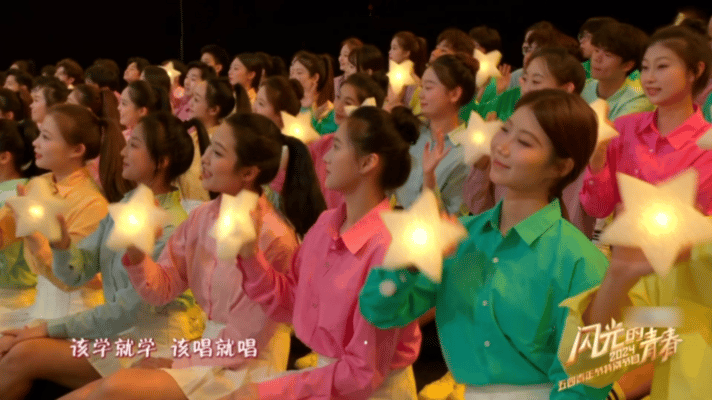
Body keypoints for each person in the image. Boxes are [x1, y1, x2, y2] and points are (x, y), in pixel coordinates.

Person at [360, 89, 612, 400]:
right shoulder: (459, 237)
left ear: (561, 167)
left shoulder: (580, 261)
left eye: (524, 142)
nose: (502, 146)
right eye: (505, 129)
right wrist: (408, 265)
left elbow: (585, 381)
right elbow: (379, 312)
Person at [0, 111, 202, 400]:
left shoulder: (172, 225)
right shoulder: (125, 206)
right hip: (122, 334)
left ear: (162, 161)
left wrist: (47, 328)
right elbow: (75, 273)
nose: (122, 152)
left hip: (155, 343)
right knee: (16, 348)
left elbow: (128, 311)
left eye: (134, 145)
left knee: (24, 353)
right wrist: (59, 243)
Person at [236, 105, 422, 399]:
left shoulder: (389, 249)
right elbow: (292, 301)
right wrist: (250, 255)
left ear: (367, 163)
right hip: (328, 379)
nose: (325, 158)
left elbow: (362, 373)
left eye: (336, 147)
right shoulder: (326, 224)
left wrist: (273, 390)